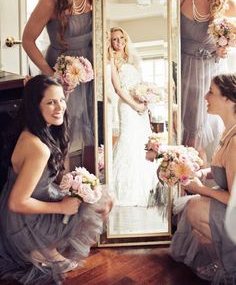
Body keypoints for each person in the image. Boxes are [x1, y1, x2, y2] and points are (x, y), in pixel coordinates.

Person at [0, 75, 112, 285]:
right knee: (103, 203)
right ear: (36, 107)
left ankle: (47, 248)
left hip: (31, 204)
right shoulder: (38, 147)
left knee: (96, 195)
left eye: (61, 99)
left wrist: (75, 182)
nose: (59, 107)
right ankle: (38, 247)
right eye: (50, 102)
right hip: (23, 221)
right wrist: (62, 207)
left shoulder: (35, 130)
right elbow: (17, 202)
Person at [22, 0, 103, 153]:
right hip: (62, 69)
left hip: (89, 68)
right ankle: (62, 182)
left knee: (92, 133)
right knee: (64, 134)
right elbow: (28, 40)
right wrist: (52, 77)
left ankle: (85, 182)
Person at [171, 0, 236, 163]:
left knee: (195, 142)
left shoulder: (229, 6)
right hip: (179, 69)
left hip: (206, 74)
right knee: (175, 133)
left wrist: (226, 47)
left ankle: (192, 187)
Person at [170, 73, 236, 283]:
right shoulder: (228, 131)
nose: (205, 97)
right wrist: (201, 173)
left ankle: (229, 266)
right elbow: (224, 169)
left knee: (195, 207)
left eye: (211, 92)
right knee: (193, 208)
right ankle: (221, 259)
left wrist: (201, 189)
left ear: (228, 99)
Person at [108, 27, 158, 207]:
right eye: (115, 39)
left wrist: (146, 98)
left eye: (122, 38)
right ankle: (123, 190)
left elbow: (140, 84)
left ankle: (145, 188)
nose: (119, 42)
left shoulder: (133, 60)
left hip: (140, 106)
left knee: (142, 143)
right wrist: (134, 104)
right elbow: (118, 89)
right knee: (128, 141)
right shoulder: (111, 61)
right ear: (110, 42)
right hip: (127, 106)